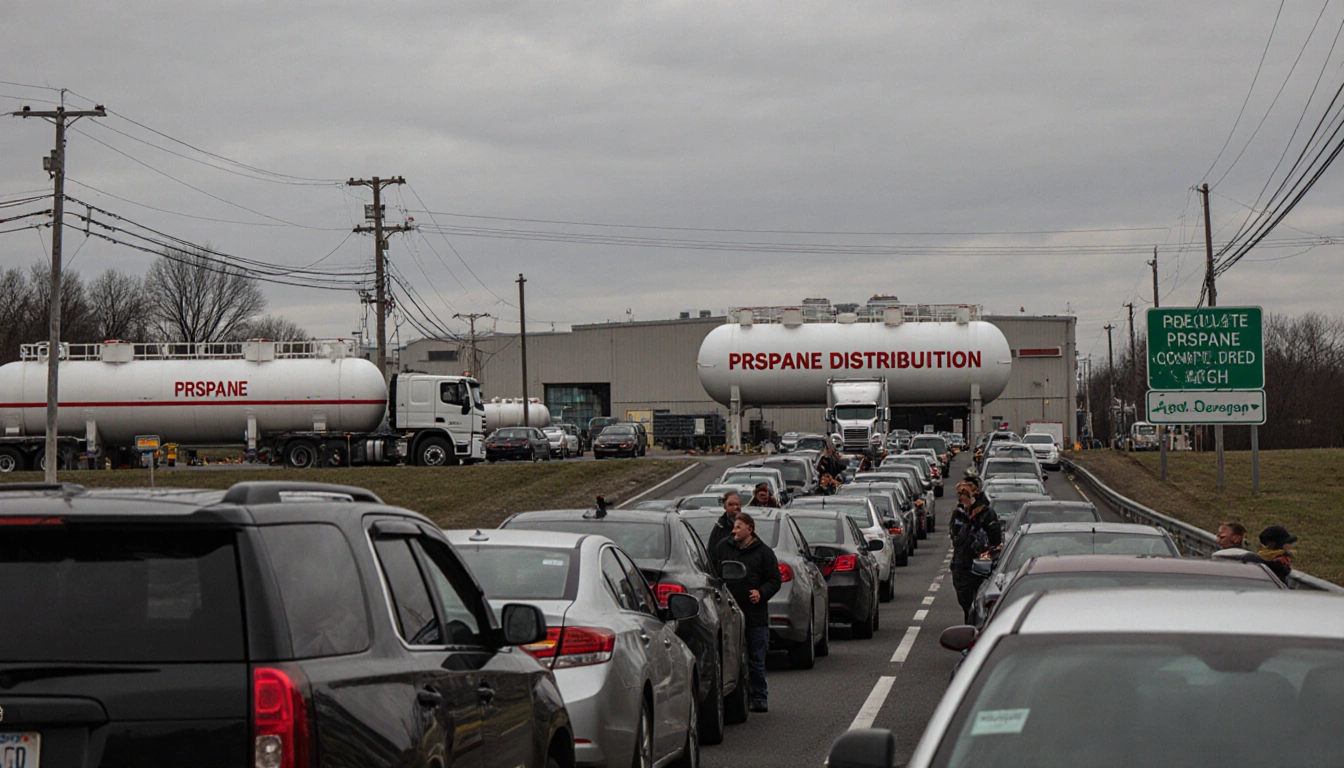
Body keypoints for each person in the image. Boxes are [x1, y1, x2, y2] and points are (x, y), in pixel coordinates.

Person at [713, 511, 780, 713]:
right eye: (733, 527)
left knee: (756, 659)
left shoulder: (764, 553)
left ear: (749, 529)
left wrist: (761, 593)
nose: (734, 530)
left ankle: (759, 697)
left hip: (754, 615)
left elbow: (774, 580)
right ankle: (730, 698)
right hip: (727, 614)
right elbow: (711, 572)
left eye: (738, 527)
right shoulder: (723, 548)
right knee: (729, 658)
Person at [948, 477, 1002, 624]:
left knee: (978, 602)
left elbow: (995, 540)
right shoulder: (958, 514)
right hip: (961, 566)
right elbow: (955, 536)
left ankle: (975, 628)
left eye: (965, 492)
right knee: (964, 600)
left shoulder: (987, 513)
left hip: (981, 566)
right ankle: (969, 621)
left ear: (974, 493)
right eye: (959, 493)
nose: (961, 496)